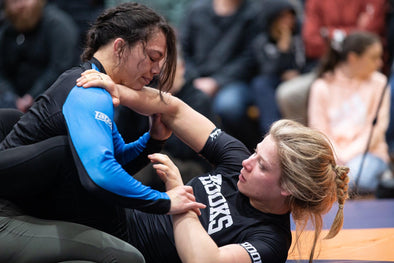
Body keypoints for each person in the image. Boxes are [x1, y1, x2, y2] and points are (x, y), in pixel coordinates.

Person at [76, 69, 350, 263]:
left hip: (127, 252)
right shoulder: (237, 164)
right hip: (115, 215)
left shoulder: (270, 241)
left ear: (287, 188)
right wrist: (118, 91)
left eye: (263, 166)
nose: (247, 161)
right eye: (256, 152)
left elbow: (204, 260)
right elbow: (175, 110)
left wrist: (178, 194)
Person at [0, 2, 204, 247]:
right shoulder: (88, 90)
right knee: (127, 255)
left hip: (26, 199)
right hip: (10, 208)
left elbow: (117, 160)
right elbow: (100, 175)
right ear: (119, 47)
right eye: (152, 57)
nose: (157, 70)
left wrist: (154, 139)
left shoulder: (93, 84)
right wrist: (165, 201)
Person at [115, 52, 217, 190]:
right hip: (148, 156)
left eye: (168, 70)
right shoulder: (144, 92)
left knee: (152, 163)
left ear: (182, 68)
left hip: (190, 166)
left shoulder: (198, 100)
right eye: (159, 72)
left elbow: (187, 150)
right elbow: (122, 132)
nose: (163, 77)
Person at [276, 0, 388, 126]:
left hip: (364, 65)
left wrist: (328, 33)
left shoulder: (379, 82)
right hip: (327, 66)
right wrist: (352, 32)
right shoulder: (315, 2)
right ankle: (303, 143)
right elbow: (311, 43)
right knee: (289, 95)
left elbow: (370, 36)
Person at [308, 31, 392, 195]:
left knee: (357, 177)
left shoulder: (379, 83)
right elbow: (318, 129)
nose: (380, 63)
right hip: (330, 156)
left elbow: (377, 129)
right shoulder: (321, 85)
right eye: (373, 57)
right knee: (316, 179)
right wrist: (336, 156)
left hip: (368, 153)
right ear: (353, 58)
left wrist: (346, 157)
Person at [179, 0, 262, 149]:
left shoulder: (253, 14)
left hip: (234, 81)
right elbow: (182, 49)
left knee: (229, 107)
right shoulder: (197, 9)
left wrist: (216, 81)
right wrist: (194, 78)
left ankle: (244, 153)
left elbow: (251, 58)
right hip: (195, 78)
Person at [0, 0, 79, 112]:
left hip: (52, 101)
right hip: (12, 103)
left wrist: (32, 96)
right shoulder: (6, 30)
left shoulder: (57, 24)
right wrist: (12, 97)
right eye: (14, 1)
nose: (20, 6)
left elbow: (62, 67)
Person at [250, 0, 305, 135]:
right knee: (260, 84)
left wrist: (297, 72)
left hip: (300, 77)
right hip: (273, 81)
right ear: (272, 19)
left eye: (290, 16)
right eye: (282, 17)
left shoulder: (300, 34)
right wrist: (283, 48)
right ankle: (273, 133)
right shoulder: (261, 40)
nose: (288, 21)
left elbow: (309, 60)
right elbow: (266, 70)